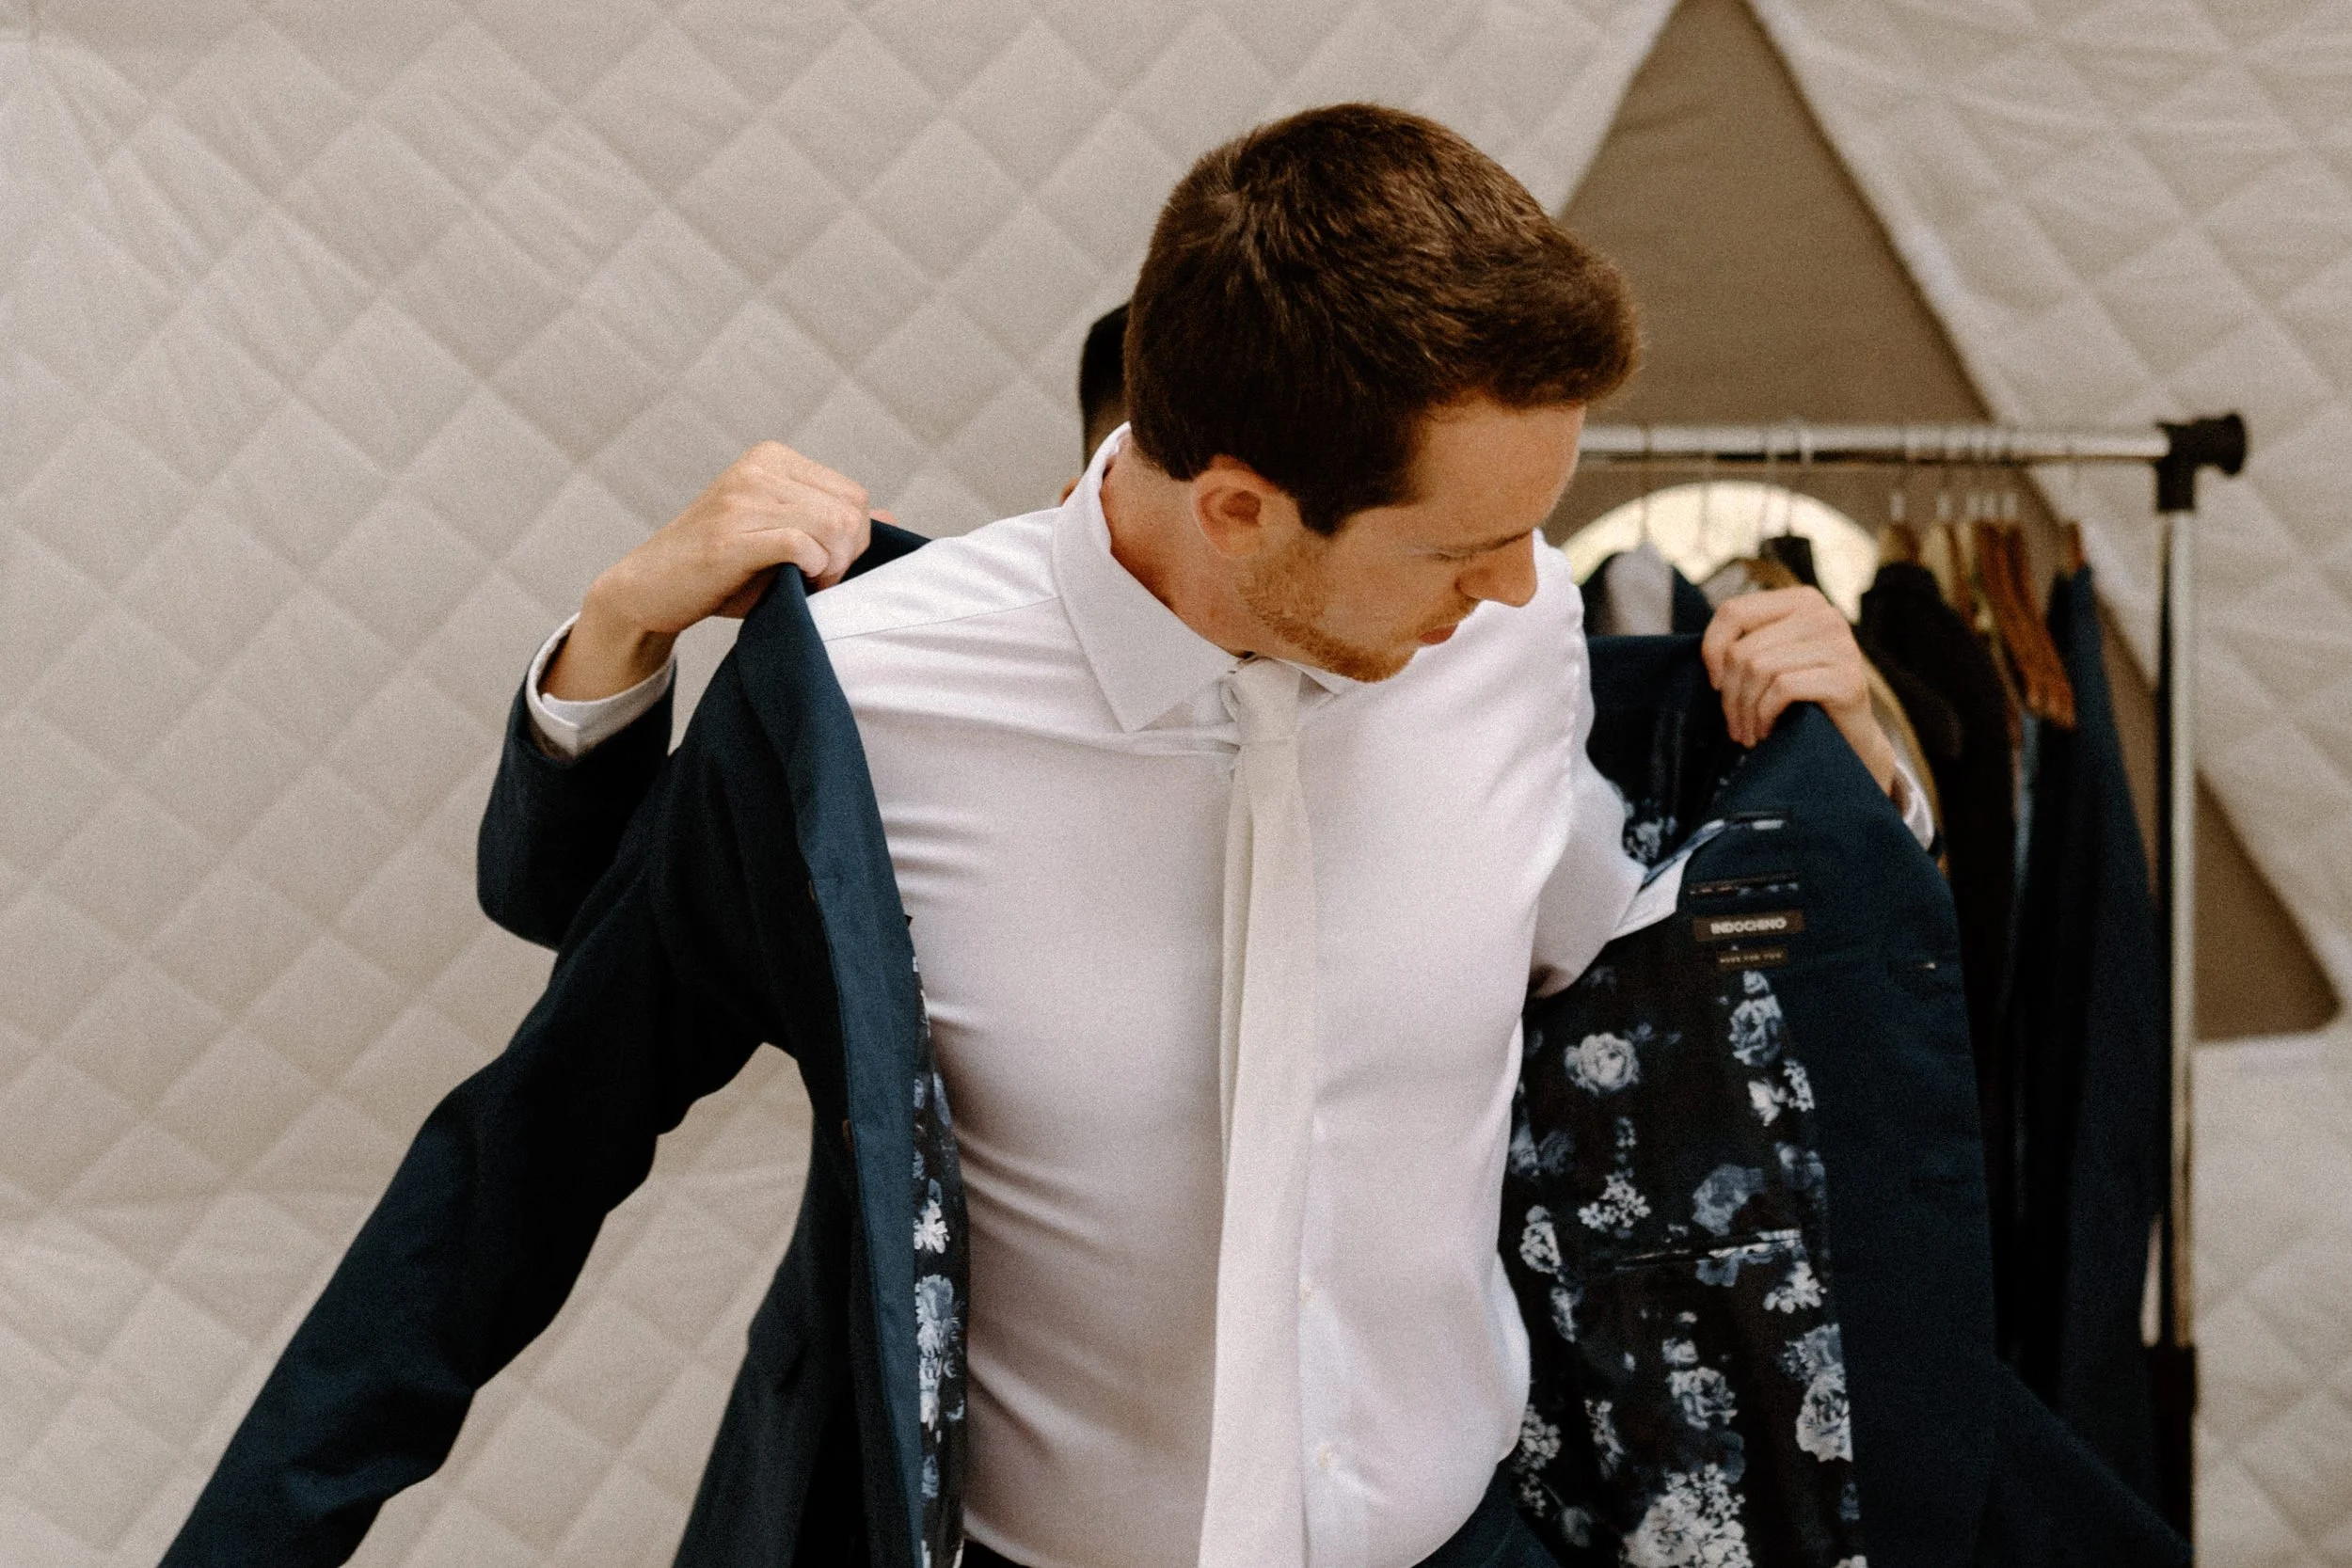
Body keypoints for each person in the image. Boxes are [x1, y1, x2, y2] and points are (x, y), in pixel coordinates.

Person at [172, 104, 1927, 1568]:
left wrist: (1848, 779)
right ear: (1238, 507)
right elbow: (537, 1136)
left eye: (1532, 536)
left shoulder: (1515, 637)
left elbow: (1634, 985)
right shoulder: (871, 704)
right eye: (1461, 549)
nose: (1522, 586)